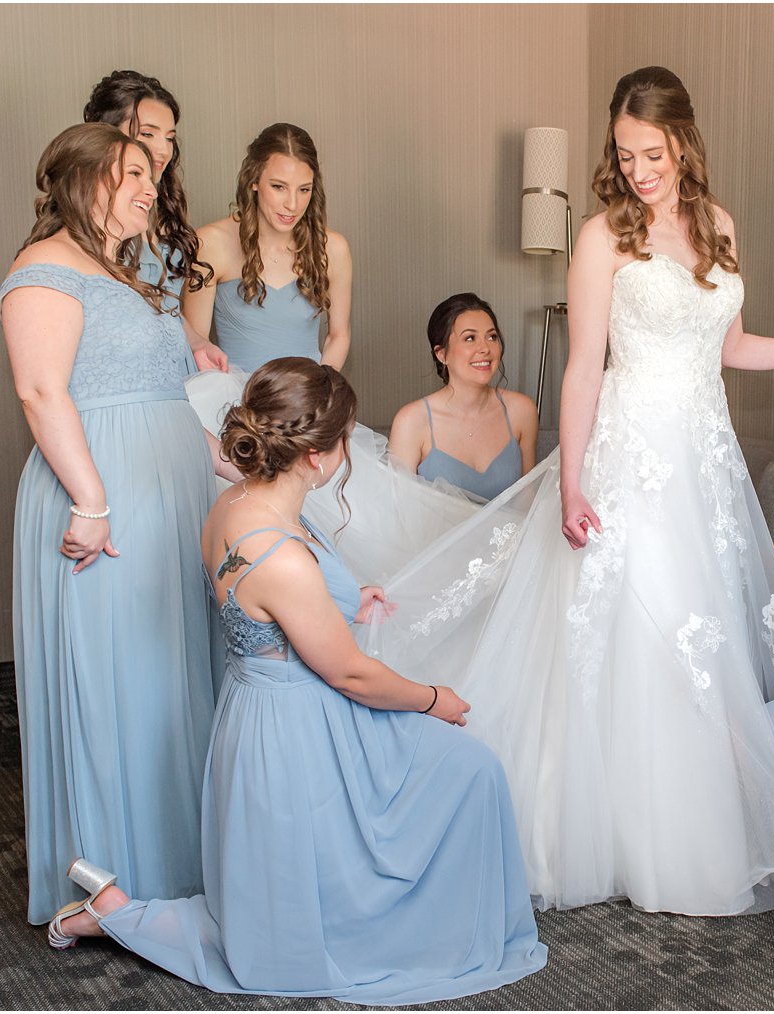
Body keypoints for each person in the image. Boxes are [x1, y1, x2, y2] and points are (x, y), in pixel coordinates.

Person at [358, 66, 774, 916]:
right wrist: (571, 481)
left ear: (684, 143)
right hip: (628, 461)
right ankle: (609, 833)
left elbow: (731, 349)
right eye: (626, 153)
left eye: (654, 152)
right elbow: (584, 367)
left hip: (701, 463)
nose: (639, 169)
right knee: (642, 627)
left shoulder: (720, 227)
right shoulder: (603, 238)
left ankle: (683, 831)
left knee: (696, 643)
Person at [44, 359, 548, 1005]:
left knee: (458, 775)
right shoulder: (276, 549)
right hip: (302, 721)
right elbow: (350, 671)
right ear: (316, 455)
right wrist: (434, 700)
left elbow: (278, 609)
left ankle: (120, 909)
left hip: (264, 707)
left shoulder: (237, 500)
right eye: (345, 439)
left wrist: (343, 594)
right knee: (470, 768)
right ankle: (120, 914)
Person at [0, 123, 235, 926]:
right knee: (118, 678)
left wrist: (221, 461)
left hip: (169, 492)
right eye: (134, 173)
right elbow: (41, 391)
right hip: (104, 500)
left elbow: (157, 387)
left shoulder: (127, 273)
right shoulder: (42, 271)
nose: (150, 186)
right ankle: (108, 880)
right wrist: (92, 501)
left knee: (171, 675)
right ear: (84, 182)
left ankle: (175, 863)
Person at [82, 69, 224, 371]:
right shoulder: (91, 223)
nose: (162, 150)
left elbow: (162, 304)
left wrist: (197, 342)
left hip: (174, 370)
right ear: (106, 134)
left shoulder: (160, 212)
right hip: (125, 376)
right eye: (148, 134)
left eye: (169, 138)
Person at [183, 123, 351, 373]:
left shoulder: (333, 248)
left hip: (309, 400)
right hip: (236, 402)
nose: (292, 204)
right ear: (253, 181)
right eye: (278, 187)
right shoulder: (211, 243)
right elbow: (196, 344)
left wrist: (320, 393)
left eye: (304, 189)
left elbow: (338, 335)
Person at [388, 293, 538, 502]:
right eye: (470, 338)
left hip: (512, 534)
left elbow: (527, 498)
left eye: (492, 337)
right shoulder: (411, 421)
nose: (485, 348)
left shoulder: (521, 411)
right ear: (442, 354)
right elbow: (401, 513)